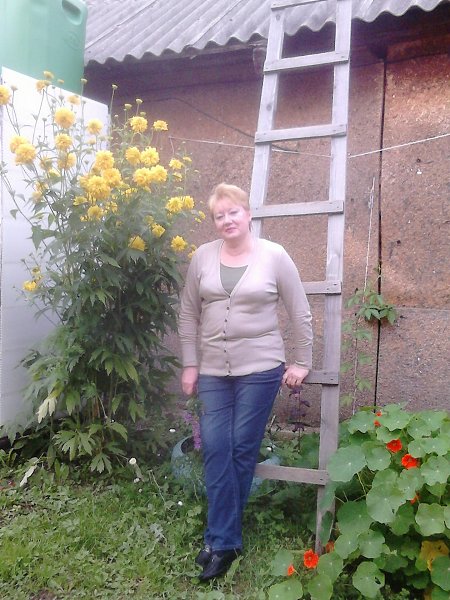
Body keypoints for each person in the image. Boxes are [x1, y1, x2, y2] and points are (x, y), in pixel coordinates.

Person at [178, 183, 313, 581]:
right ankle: (225, 540)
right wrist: (190, 364)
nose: (227, 220)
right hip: (213, 371)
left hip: (261, 368)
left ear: (248, 213)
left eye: (233, 212)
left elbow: (300, 310)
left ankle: (219, 541)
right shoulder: (202, 257)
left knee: (240, 447)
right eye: (219, 215)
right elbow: (188, 313)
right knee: (215, 446)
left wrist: (303, 361)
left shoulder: (274, 255)